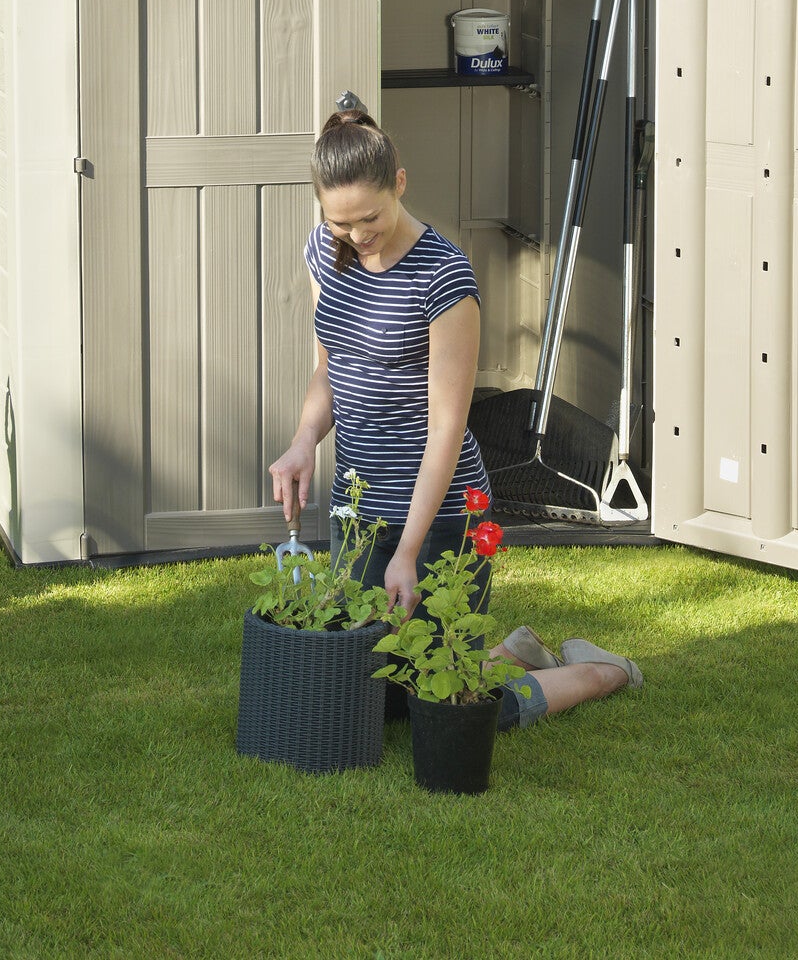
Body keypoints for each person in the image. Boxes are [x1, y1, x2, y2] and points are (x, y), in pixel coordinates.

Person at [267, 101, 641, 731]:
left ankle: (604, 670)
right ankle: (515, 651)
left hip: (438, 513)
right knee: (371, 694)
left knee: (450, 711)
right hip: (359, 507)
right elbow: (336, 363)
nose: (358, 236)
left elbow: (446, 425)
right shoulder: (324, 254)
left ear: (401, 184)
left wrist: (408, 551)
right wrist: (305, 438)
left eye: (370, 218)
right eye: (340, 223)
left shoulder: (443, 277)